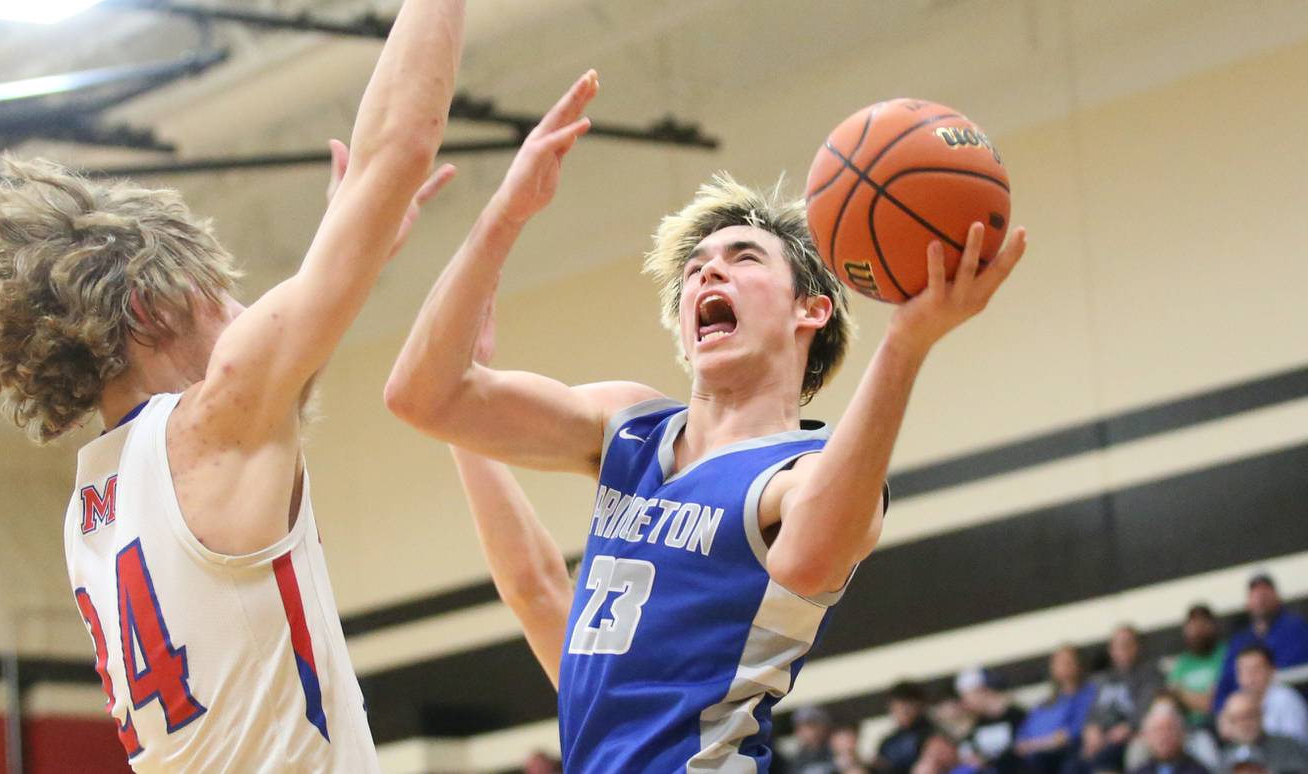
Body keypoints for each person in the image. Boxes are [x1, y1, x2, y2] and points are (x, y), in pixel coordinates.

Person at [0, 0, 520, 771]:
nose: (248, 308)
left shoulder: (94, 509)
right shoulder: (211, 428)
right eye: (225, 293)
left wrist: (352, 251)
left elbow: (268, 408)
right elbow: (400, 145)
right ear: (156, 309)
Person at [384, 71, 1028, 772]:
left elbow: (815, 551)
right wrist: (505, 214)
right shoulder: (627, 427)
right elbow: (426, 399)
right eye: (694, 269)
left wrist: (906, 343)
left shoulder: (799, 477)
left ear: (810, 309)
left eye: (742, 257)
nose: (706, 275)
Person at [1215, 574, 1308, 712]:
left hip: (1285, 703)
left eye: (1265, 594)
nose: (1260, 600)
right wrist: (1226, 707)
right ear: (1248, 602)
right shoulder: (1240, 639)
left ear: (1277, 597)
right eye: (1255, 595)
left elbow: (1290, 670)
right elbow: (1225, 684)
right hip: (1242, 711)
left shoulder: (1295, 627)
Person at [1080, 626, 1165, 774]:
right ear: (1111, 650)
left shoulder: (1150, 674)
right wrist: (1090, 729)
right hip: (1104, 738)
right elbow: (1092, 711)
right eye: (1118, 645)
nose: (1123, 649)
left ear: (1138, 647)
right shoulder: (1102, 680)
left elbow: (1146, 708)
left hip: (1133, 735)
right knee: (1074, 764)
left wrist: (1129, 727)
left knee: (1105, 758)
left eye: (1128, 644)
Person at [1016, 646, 1098, 774]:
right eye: (1059, 662)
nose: (1064, 667)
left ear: (1079, 664)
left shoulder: (1089, 694)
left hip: (1069, 754)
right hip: (1036, 758)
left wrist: (1035, 745)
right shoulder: (1042, 705)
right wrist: (1046, 742)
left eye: (1068, 661)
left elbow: (1072, 733)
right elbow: (1021, 741)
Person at [1214, 691, 1308, 774]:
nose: (1244, 724)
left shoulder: (1288, 747)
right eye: (1238, 719)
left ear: (1261, 715)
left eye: (1249, 716)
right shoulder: (1223, 758)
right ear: (1229, 723)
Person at [1233, 645, 1308, 745]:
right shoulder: (1238, 704)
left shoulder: (1285, 699)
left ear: (1271, 670)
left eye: (1256, 669)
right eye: (1244, 671)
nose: (1250, 677)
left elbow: (1294, 746)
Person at [957, 667, 1027, 774]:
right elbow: (968, 752)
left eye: (967, 696)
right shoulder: (978, 723)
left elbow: (1022, 749)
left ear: (982, 690)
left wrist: (988, 761)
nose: (965, 703)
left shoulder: (1017, 716)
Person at [1169, 606, 1227, 729]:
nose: (1197, 631)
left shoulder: (1226, 655)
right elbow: (1171, 697)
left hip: (1218, 722)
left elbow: (1213, 703)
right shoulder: (1182, 663)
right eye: (1193, 626)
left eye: (1202, 625)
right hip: (1186, 726)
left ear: (1213, 626)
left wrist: (1182, 694)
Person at [1128, 699, 1211, 774]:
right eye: (1157, 730)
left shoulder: (1198, 771)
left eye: (1169, 729)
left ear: (1182, 733)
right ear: (1146, 736)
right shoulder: (1139, 771)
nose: (1163, 736)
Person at [879, 682, 938, 774]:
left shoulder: (933, 731)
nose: (902, 712)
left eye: (906, 707)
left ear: (919, 705)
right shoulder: (887, 743)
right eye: (897, 708)